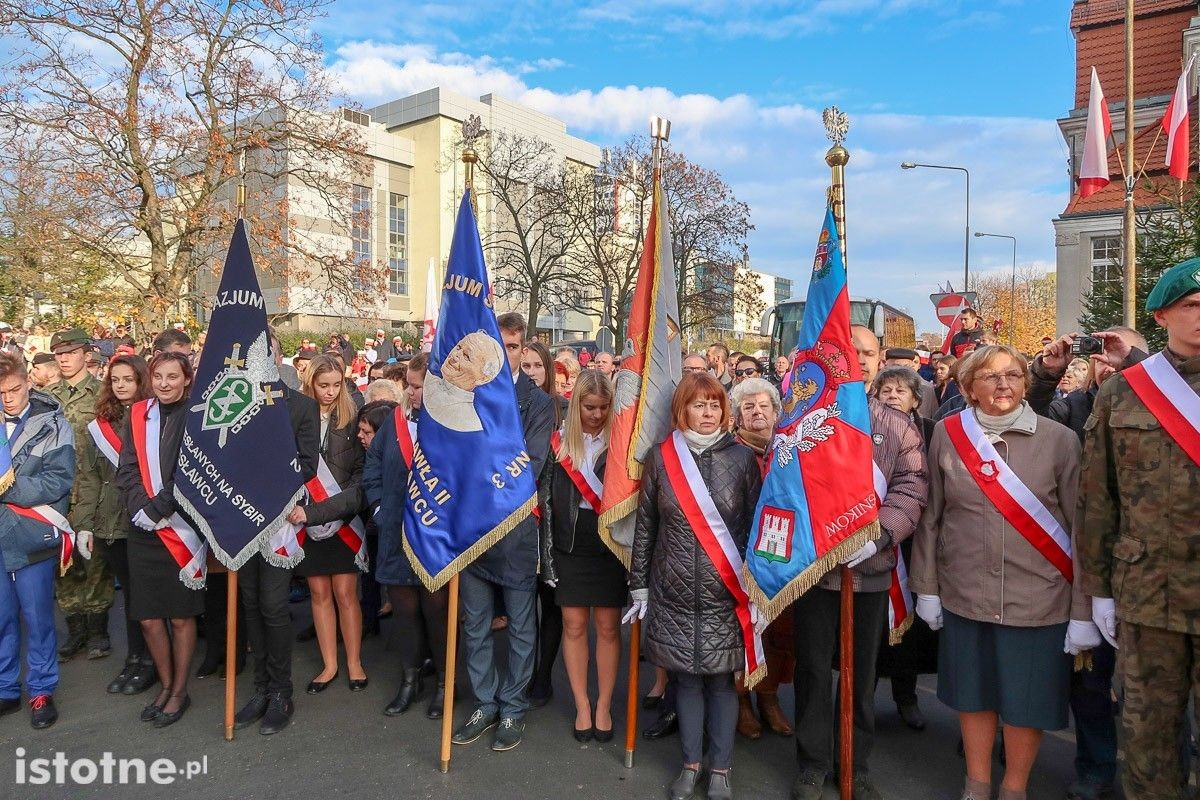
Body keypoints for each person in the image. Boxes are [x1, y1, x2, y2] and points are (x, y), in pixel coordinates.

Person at [910, 345, 1095, 800]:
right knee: (973, 694)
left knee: (1025, 701)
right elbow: (932, 516)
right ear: (969, 387)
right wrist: (927, 588)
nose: (1004, 384)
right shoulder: (948, 435)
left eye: (1013, 375)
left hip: (1039, 599)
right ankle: (977, 781)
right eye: (990, 377)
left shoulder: (1060, 440)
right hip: (965, 593)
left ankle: (1015, 786)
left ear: (1025, 384)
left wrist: (1084, 609)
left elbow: (1082, 531)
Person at [1078, 259, 1200, 800]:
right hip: (1149, 594)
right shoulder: (1124, 393)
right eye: (1192, 306)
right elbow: (1097, 498)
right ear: (1161, 315)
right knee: (1148, 735)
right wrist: (1099, 590)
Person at [790, 324, 928, 800]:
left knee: (861, 673)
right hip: (813, 570)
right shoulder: (807, 418)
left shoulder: (895, 424)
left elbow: (913, 486)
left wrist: (879, 534)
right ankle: (811, 763)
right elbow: (787, 483)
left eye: (868, 353)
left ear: (879, 358)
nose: (861, 360)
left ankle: (855, 760)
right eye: (852, 352)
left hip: (870, 569)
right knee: (811, 669)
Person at [628, 372, 763, 800]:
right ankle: (690, 764)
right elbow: (646, 526)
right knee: (685, 680)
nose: (707, 413)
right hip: (673, 591)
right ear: (681, 410)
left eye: (715, 405)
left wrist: (757, 588)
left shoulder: (742, 459)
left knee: (722, 683)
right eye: (698, 405)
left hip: (727, 593)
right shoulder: (661, 458)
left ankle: (720, 768)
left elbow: (758, 528)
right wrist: (639, 586)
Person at [1027, 327, 1146, 800]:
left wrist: (1135, 362)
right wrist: (1044, 374)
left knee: (1148, 685)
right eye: (1099, 353)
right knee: (1089, 677)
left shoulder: (1159, 398)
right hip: (1082, 557)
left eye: (1118, 350)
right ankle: (1095, 767)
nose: (1106, 360)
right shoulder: (1073, 406)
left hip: (1144, 561)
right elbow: (1026, 420)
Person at [451, 313, 554, 753]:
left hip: (512, 526)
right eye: (501, 345)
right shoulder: (465, 394)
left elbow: (530, 461)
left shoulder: (537, 402)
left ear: (523, 349)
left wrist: (480, 481)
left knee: (520, 624)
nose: (508, 353)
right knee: (473, 623)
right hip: (470, 526)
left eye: (514, 347)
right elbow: (450, 455)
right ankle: (485, 701)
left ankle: (513, 704)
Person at [233, 333, 319, 736]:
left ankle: (282, 691)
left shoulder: (301, 406)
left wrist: (266, 489)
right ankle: (260, 688)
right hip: (241, 519)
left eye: (264, 352)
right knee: (249, 604)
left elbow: (308, 465)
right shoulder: (236, 402)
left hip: (279, 520)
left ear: (277, 355)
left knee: (272, 605)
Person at [115, 352, 203, 728]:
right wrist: (140, 508)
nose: (165, 384)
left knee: (181, 616)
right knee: (149, 617)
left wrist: (160, 508)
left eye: (173, 376)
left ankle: (179, 690)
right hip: (143, 529)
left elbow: (194, 471)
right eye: (158, 377)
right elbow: (128, 467)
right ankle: (165, 685)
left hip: (180, 527)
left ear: (186, 379)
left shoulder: (198, 414)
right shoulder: (139, 415)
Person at [539, 371, 622, 742]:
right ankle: (582, 706)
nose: (597, 413)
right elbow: (544, 505)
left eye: (604, 407)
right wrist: (548, 559)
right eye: (589, 407)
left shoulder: (622, 444)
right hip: (569, 547)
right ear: (577, 407)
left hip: (610, 548)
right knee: (573, 626)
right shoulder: (557, 445)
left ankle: (603, 705)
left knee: (607, 628)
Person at [365, 369, 450, 720]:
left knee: (437, 610)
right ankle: (410, 679)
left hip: (435, 536)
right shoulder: (395, 422)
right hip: (395, 532)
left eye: (420, 386)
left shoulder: (451, 424)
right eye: (411, 386)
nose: (413, 392)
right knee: (404, 610)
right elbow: (372, 468)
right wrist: (380, 508)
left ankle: (446, 683)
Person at [75, 354, 158, 695]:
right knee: (130, 595)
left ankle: (151, 660)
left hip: (139, 517)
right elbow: (90, 476)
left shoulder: (152, 417)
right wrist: (83, 523)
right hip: (109, 521)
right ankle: (135, 658)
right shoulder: (100, 423)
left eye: (128, 379)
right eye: (115, 380)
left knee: (145, 597)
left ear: (141, 381)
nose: (121, 385)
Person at [0, 351, 74, 729]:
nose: (8, 399)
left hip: (30, 532)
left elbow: (58, 482)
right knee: (1, 617)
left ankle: (41, 689)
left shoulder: (54, 425)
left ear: (29, 381)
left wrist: (8, 486)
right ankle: (5, 687)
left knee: (38, 617)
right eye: (0, 393)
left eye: (14, 389)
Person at [289, 354, 368, 695]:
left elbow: (361, 473)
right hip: (305, 516)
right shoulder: (294, 416)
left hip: (343, 519)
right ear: (310, 384)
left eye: (337, 385)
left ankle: (354, 662)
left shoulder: (352, 418)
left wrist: (338, 509)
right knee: (318, 592)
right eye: (323, 386)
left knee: (345, 593)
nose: (331, 392)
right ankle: (329, 664)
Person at [870, 366, 938, 732]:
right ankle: (861, 699)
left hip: (916, 543)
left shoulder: (930, 431)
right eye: (885, 390)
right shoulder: (863, 428)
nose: (893, 395)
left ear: (916, 399)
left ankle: (906, 696)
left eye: (901, 390)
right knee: (874, 625)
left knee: (909, 629)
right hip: (873, 540)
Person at [730, 377, 795, 739]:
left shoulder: (790, 450)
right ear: (737, 414)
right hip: (741, 556)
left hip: (783, 557)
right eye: (748, 406)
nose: (757, 412)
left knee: (781, 632)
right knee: (746, 631)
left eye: (764, 406)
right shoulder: (729, 450)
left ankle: (769, 698)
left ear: (776, 411)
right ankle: (741, 701)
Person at [46, 328, 110, 662]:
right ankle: (76, 630)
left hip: (93, 491)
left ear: (86, 353)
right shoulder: (46, 396)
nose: (63, 358)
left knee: (95, 562)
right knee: (64, 566)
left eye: (69, 352)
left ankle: (99, 631)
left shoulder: (102, 394)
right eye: (58, 353)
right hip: (56, 495)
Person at [522, 340, 565, 707]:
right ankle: (523, 667)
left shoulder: (563, 410)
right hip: (521, 513)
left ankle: (544, 673)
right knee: (523, 602)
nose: (531, 371)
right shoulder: (512, 407)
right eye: (525, 365)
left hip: (553, 517)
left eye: (537, 365)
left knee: (550, 602)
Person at [422, 331, 505, 433]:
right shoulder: (423, 383)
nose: (455, 356)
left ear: (483, 378)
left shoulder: (470, 424)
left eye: (466, 356)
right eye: (458, 347)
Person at [884, 347, 938, 418]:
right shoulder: (874, 388)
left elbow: (934, 417)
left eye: (906, 367)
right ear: (886, 365)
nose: (901, 371)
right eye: (896, 366)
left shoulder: (927, 389)